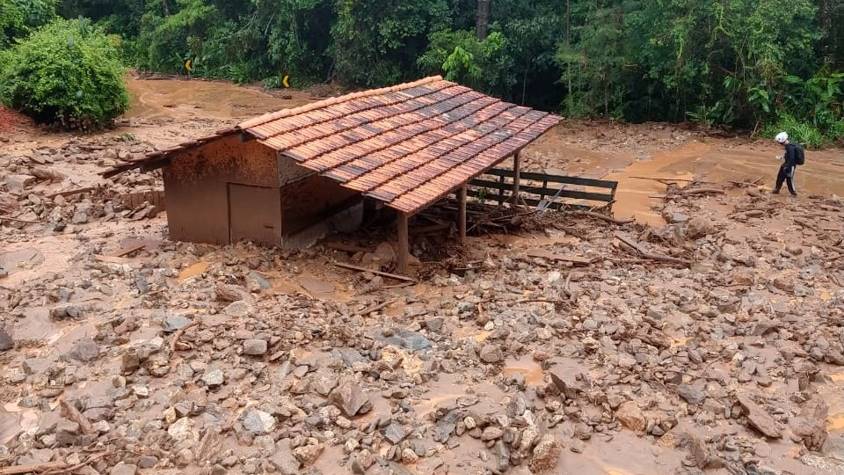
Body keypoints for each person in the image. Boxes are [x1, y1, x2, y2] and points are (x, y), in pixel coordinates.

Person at [773, 132, 798, 196]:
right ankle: (777, 189)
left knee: (789, 179)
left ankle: (793, 193)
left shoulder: (790, 147)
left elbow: (792, 158)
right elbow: (787, 155)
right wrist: (781, 158)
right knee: (780, 176)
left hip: (790, 166)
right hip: (786, 164)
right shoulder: (788, 146)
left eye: (779, 142)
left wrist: (787, 167)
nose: (779, 144)